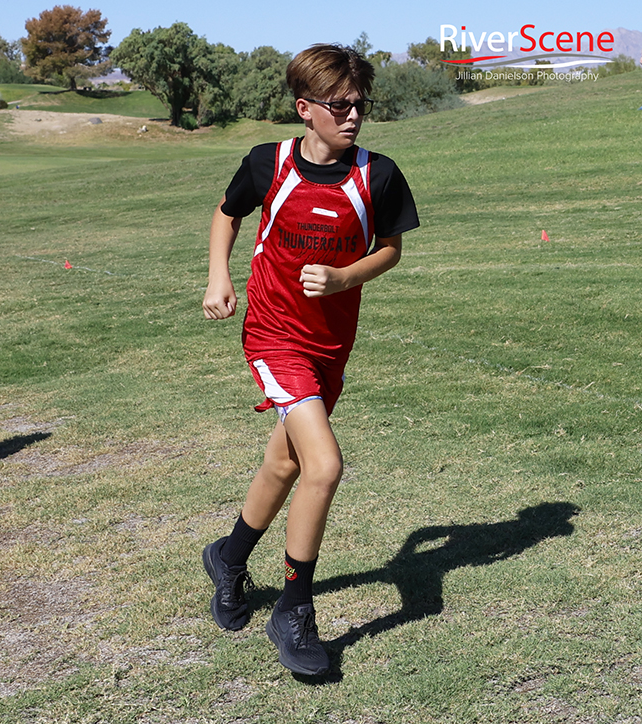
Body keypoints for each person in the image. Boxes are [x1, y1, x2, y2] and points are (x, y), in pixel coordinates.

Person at [201, 44, 419, 676]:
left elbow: (392, 249)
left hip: (330, 346)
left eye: (361, 105)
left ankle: (231, 555)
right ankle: (294, 609)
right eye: (339, 105)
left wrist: (349, 276)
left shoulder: (377, 174)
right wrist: (219, 278)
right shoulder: (267, 162)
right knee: (323, 465)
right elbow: (226, 214)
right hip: (273, 337)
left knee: (286, 458)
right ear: (305, 108)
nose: (353, 116)